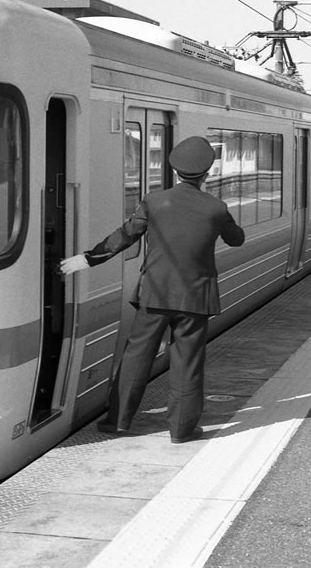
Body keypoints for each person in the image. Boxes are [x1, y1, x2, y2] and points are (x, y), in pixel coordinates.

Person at [60, 136, 245, 443]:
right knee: (188, 363)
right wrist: (221, 218)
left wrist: (89, 259)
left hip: (155, 295)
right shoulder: (217, 208)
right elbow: (236, 239)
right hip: (196, 299)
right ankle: (182, 430)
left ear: (174, 172)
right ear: (207, 174)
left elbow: (125, 235)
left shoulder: (155, 201)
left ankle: (118, 422)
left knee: (137, 356)